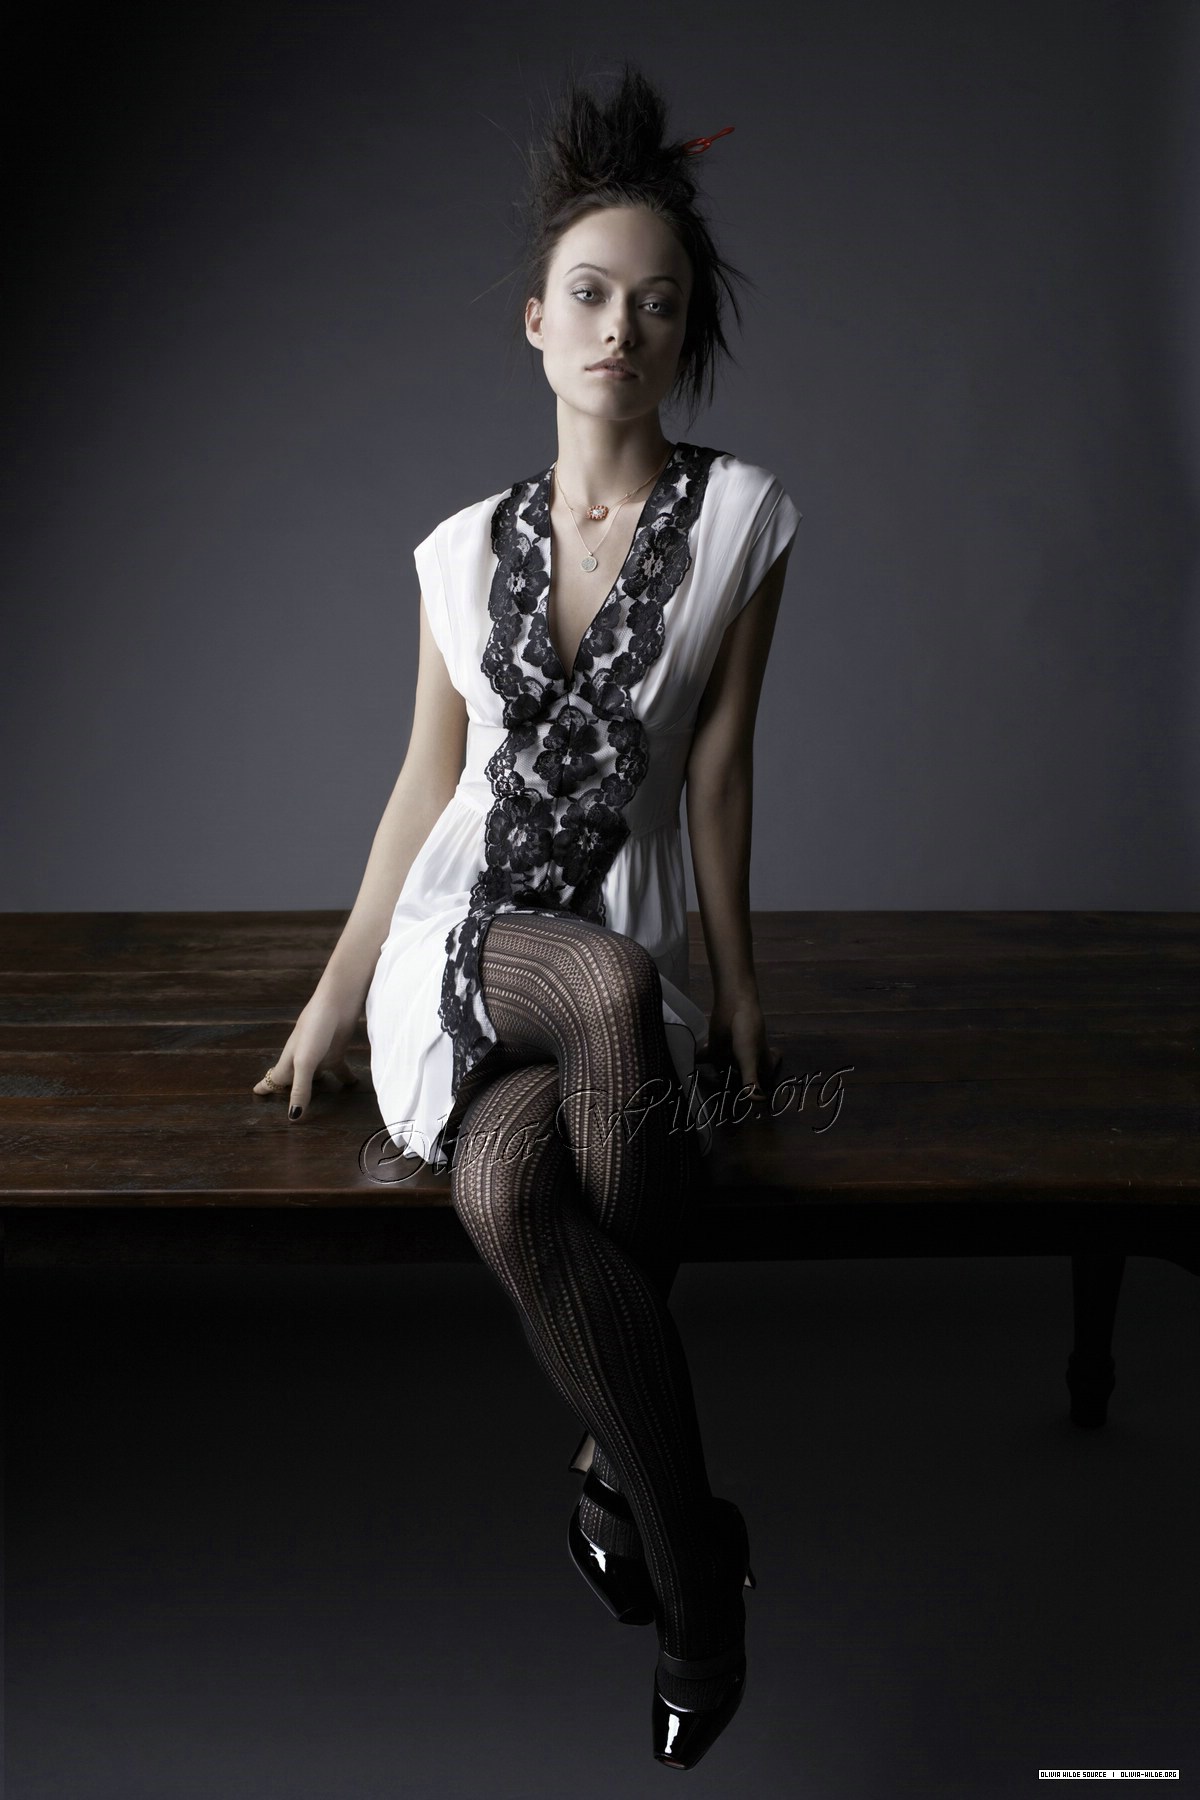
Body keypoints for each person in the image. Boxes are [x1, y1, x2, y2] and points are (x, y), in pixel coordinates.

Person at [253, 59, 800, 1771]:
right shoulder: (451, 551)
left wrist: (749, 988)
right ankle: (697, 1572)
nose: (621, 325)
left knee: (509, 1185)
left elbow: (719, 777)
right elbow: (425, 787)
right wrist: (334, 993)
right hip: (465, 944)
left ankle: (618, 1479)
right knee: (607, 987)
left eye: (658, 301)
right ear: (536, 322)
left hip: (632, 954)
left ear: (685, 332)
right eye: (590, 293)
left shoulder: (744, 523)